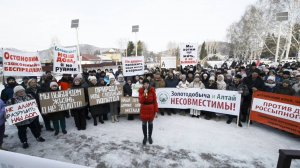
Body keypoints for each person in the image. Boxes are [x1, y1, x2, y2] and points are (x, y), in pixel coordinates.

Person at [138, 79, 158, 145]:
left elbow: (155, 101)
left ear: (149, 84)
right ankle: (145, 137)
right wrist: (144, 93)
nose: (146, 85)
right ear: (143, 85)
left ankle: (150, 137)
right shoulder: (141, 91)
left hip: (151, 109)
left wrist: (156, 111)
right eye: (144, 84)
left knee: (150, 123)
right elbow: (140, 101)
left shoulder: (152, 90)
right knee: (144, 123)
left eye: (147, 83)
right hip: (144, 108)